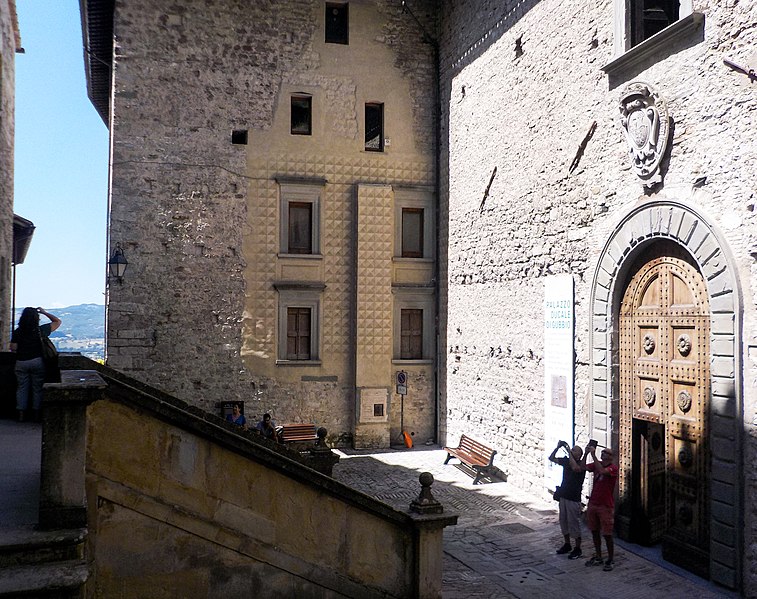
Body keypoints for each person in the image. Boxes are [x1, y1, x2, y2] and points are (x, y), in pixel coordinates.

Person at [10, 307, 62, 422]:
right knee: (37, 388)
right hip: (37, 362)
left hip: (21, 362)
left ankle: (21, 414)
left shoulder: (18, 332)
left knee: (22, 388)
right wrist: (44, 312)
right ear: (36, 319)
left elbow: (13, 348)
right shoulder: (41, 330)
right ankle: (36, 414)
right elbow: (57, 322)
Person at [581, 444, 619, 571]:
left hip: (605, 506)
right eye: (602, 452)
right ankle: (598, 556)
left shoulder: (613, 468)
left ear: (611, 457)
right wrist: (586, 454)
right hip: (593, 503)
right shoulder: (596, 465)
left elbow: (603, 471)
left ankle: (611, 558)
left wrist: (593, 455)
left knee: (607, 534)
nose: (602, 454)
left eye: (606, 453)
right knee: (594, 531)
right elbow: (581, 468)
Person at [549, 440, 586, 559]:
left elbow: (575, 468)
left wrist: (568, 451)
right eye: (572, 449)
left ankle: (578, 548)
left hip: (573, 498)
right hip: (564, 496)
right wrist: (557, 448)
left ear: (579, 455)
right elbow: (551, 458)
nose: (571, 451)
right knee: (563, 521)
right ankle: (567, 544)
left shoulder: (581, 465)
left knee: (573, 523)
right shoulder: (566, 462)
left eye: (574, 450)